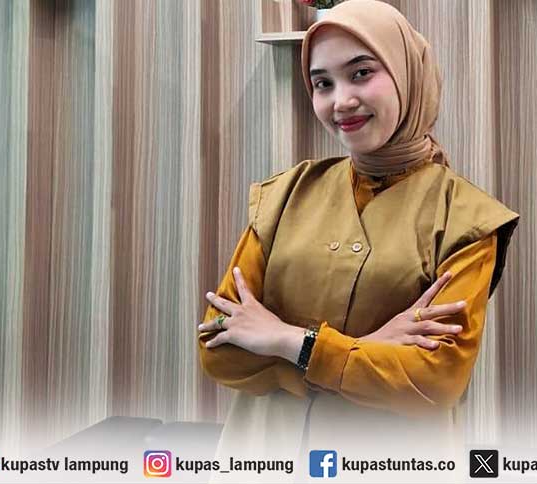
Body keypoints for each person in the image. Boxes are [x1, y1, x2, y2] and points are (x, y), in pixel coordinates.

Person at [197, 0, 519, 480]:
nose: (341, 101)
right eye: (322, 83)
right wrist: (364, 352)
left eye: (361, 73)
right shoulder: (284, 195)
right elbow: (218, 346)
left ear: (408, 75)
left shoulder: (466, 219)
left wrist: (286, 342)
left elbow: (435, 379)